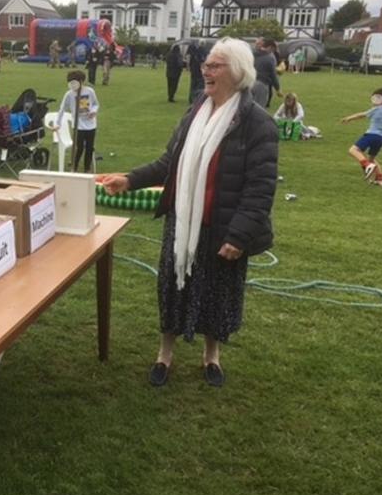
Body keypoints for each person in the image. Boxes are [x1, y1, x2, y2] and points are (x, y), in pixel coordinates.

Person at [100, 37, 278, 389]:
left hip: (223, 227)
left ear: (237, 72)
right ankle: (164, 354)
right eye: (205, 65)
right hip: (182, 223)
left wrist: (239, 236)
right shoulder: (196, 110)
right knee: (172, 288)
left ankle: (211, 356)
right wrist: (130, 179)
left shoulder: (258, 123)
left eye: (214, 65)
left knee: (217, 293)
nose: (205, 71)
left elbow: (260, 189)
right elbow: (171, 162)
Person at [340, 87, 382, 187]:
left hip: (371, 135)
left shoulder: (375, 110)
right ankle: (381, 179)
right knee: (372, 158)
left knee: (353, 150)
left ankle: (367, 165)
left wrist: (349, 118)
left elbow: (361, 115)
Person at [53, 70, 99, 172]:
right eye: (71, 82)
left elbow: (96, 104)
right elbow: (62, 109)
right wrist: (57, 124)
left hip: (91, 124)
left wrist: (93, 111)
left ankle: (87, 168)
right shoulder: (69, 94)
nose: (73, 85)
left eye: (75, 82)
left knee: (89, 147)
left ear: (82, 81)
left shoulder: (89, 91)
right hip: (78, 125)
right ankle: (74, 166)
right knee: (79, 147)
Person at [253, 37, 282, 107]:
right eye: (272, 50)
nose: (272, 52)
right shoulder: (269, 58)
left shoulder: (252, 54)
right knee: (259, 108)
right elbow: (273, 75)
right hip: (262, 84)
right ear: (270, 47)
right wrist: (278, 89)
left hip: (249, 82)